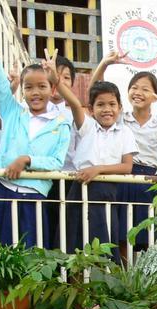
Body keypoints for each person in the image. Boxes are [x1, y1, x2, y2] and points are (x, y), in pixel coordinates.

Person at [0, 3, 70, 247]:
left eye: (42, 86)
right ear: (22, 91)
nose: (35, 92)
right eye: (29, 87)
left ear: (52, 89)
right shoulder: (13, 112)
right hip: (0, 190)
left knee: (28, 259)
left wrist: (27, 159)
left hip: (32, 198)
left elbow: (56, 162)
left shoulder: (61, 123)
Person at [89, 50, 157, 251]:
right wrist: (104, 64)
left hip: (147, 181)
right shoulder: (121, 116)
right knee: (120, 235)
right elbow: (95, 91)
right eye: (134, 87)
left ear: (155, 96)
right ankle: (122, 269)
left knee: (144, 237)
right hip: (122, 175)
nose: (138, 92)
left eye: (145, 89)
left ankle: (139, 270)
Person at [50, 76, 135, 259]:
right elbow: (74, 103)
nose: (107, 109)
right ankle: (75, 277)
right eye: (100, 105)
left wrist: (98, 169)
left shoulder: (125, 132)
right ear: (91, 109)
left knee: (103, 240)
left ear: (120, 107)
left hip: (106, 191)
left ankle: (103, 276)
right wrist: (55, 80)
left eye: (112, 104)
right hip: (80, 189)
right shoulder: (87, 126)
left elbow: (127, 166)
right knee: (74, 240)